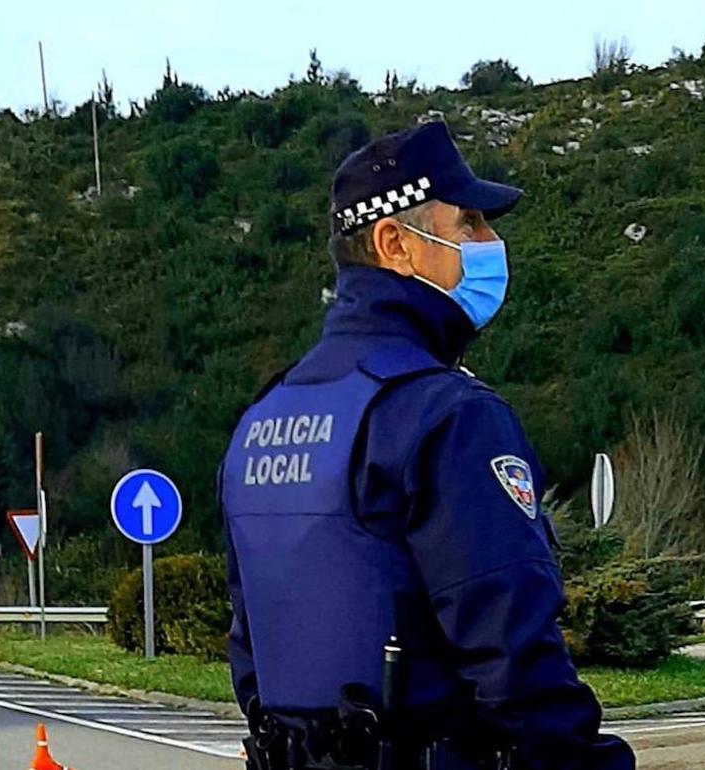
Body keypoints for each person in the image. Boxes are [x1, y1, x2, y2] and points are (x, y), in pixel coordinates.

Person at [219, 121, 635, 770]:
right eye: (468, 222)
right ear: (396, 244)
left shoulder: (262, 419)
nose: (491, 242)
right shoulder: (448, 416)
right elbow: (516, 662)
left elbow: (252, 657)